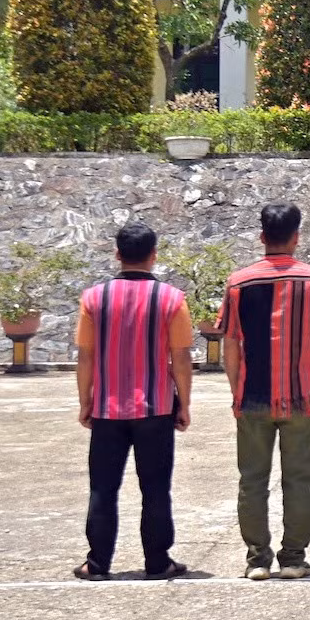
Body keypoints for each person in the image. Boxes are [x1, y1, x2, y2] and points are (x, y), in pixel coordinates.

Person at [221, 201, 310, 581]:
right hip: (302, 396)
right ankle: (293, 557)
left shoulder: (238, 283)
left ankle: (257, 559)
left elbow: (230, 346)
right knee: (299, 480)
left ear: (262, 237)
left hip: (253, 398)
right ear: (296, 237)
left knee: (252, 481)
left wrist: (236, 391)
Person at [72, 221, 193, 581]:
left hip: (107, 408)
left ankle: (97, 564)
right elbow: (180, 357)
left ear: (117, 254)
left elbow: (86, 356)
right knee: (155, 489)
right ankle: (158, 562)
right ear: (154, 256)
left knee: (103, 489)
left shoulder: (93, 299)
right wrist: (183, 403)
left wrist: (85, 400)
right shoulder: (172, 299)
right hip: (155, 408)